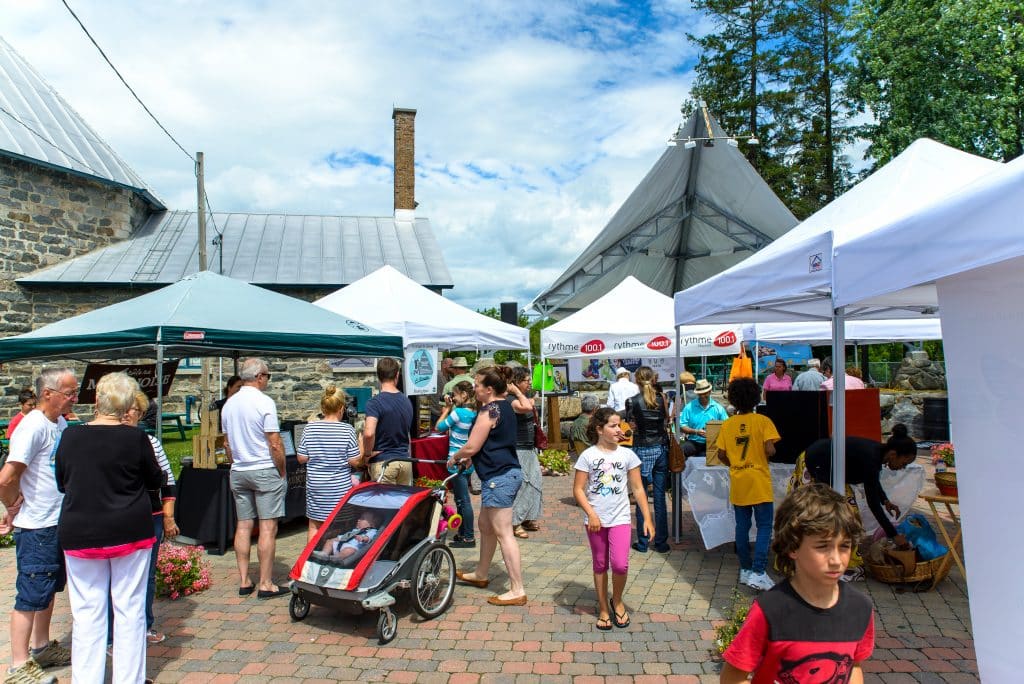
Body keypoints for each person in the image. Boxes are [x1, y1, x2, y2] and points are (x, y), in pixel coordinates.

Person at [55, 372, 164, 684]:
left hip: (81, 530)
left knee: (87, 612)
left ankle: (86, 679)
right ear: (128, 404)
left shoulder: (71, 437)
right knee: (129, 610)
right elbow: (155, 479)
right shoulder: (136, 438)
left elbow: (62, 481)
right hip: (129, 529)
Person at [720, 483, 874, 684]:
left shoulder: (859, 608)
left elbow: (853, 666)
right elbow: (733, 676)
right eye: (823, 547)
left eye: (844, 547)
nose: (836, 559)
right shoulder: (770, 610)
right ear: (793, 547)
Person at [0, 367, 77, 683]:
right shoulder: (32, 427)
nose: (75, 397)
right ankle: (18, 665)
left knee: (48, 587)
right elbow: (6, 477)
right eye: (70, 392)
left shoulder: (57, 422)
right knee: (30, 593)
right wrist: (11, 506)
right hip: (38, 526)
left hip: (56, 521)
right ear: (49, 393)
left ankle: (42, 648)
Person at [795, 425, 918, 576]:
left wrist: (885, 501)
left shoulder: (877, 455)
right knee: (830, 517)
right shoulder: (872, 457)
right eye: (904, 463)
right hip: (814, 463)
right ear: (893, 454)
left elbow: (872, 481)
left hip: (832, 472)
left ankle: (839, 562)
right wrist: (894, 535)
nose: (902, 468)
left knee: (848, 517)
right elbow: (873, 503)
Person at [451, 365, 527, 606]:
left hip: (499, 477)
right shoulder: (505, 405)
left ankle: (517, 589)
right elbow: (489, 442)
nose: (474, 388)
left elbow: (472, 445)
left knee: (504, 533)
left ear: (489, 389)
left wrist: (455, 457)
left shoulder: (489, 411)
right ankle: (481, 573)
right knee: (485, 524)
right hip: (503, 474)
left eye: (477, 384)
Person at [573, 407, 653, 630]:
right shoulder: (588, 456)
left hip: (620, 517)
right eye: (613, 425)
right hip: (596, 519)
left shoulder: (628, 455)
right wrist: (591, 513)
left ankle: (617, 600)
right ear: (600, 429)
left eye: (620, 425)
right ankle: (603, 608)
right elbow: (578, 489)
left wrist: (647, 517)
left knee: (620, 564)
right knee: (600, 564)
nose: (619, 429)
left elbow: (638, 489)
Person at [220, 357, 289, 599]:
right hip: (263, 467)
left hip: (239, 469)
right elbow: (275, 443)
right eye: (267, 375)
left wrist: (234, 463)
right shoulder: (264, 402)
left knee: (244, 525)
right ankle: (266, 582)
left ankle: (244, 580)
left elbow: (226, 443)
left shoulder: (229, 404)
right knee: (268, 527)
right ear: (259, 376)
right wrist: (281, 469)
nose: (267, 380)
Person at [117, 390, 177, 648]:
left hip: (149, 514)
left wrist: (168, 516)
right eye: (127, 408)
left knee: (146, 574)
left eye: (136, 411)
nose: (130, 414)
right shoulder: (107, 441)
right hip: (118, 516)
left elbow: (168, 480)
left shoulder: (150, 442)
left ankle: (145, 624)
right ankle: (116, 628)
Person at [715, 377, 781, 592]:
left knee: (742, 527)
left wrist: (734, 463)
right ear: (756, 397)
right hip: (759, 479)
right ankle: (759, 571)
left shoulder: (727, 424)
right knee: (763, 527)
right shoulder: (763, 421)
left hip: (739, 479)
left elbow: (721, 454)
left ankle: (745, 568)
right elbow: (770, 450)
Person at [297, 386, 360, 543]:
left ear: (323, 407)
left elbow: (301, 458)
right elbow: (355, 461)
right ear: (341, 408)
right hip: (339, 488)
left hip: (316, 486)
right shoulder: (347, 430)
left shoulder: (309, 428)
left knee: (314, 526)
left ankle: (310, 561)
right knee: (341, 527)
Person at [624, 366, 670, 554]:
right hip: (660, 448)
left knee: (640, 495)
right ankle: (660, 542)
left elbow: (629, 424)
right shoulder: (662, 399)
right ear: (652, 379)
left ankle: (643, 542)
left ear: (636, 380)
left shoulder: (632, 401)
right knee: (659, 497)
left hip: (641, 449)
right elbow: (666, 420)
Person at [358, 357, 413, 485]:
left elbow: (369, 433)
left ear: (378, 376)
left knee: (383, 504)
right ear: (397, 375)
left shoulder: (375, 402)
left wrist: (366, 455)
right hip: (405, 461)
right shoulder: (406, 401)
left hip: (384, 463)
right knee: (403, 504)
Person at [437, 380, 478, 548]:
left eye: (454, 394)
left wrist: (447, 409)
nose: (452, 397)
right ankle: (462, 533)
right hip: (468, 461)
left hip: (456, 460)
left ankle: (468, 536)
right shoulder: (474, 413)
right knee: (462, 499)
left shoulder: (458, 413)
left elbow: (439, 427)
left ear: (464, 395)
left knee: (463, 501)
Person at [509, 366, 543, 539]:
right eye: (526, 380)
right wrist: (516, 392)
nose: (529, 383)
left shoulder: (522, 398)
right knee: (524, 485)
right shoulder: (512, 399)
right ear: (515, 382)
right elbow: (525, 407)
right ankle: (515, 522)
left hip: (528, 447)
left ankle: (528, 517)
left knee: (535, 482)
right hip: (519, 447)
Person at [678, 379, 729, 458]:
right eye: (700, 394)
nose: (703, 396)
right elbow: (682, 426)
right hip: (694, 441)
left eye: (705, 393)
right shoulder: (689, 407)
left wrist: (714, 433)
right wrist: (695, 431)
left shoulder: (718, 408)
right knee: (680, 451)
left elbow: (727, 426)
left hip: (713, 442)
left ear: (710, 391)